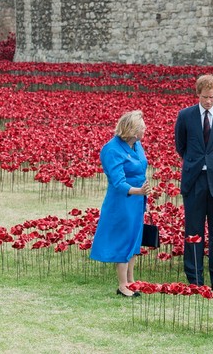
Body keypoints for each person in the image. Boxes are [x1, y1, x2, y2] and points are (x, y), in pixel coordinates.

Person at [174, 74, 213, 289]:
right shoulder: (185, 115)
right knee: (193, 230)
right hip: (194, 179)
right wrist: (197, 162)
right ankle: (195, 279)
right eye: (204, 97)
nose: (208, 101)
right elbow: (180, 145)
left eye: (212, 97)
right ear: (197, 94)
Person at [89, 110, 151, 298]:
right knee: (123, 240)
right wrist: (138, 190)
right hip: (122, 201)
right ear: (132, 130)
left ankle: (131, 280)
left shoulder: (136, 144)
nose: (145, 128)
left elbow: (140, 168)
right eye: (141, 126)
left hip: (138, 199)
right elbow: (118, 182)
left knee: (134, 239)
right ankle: (123, 284)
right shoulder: (112, 149)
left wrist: (144, 190)